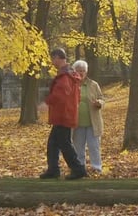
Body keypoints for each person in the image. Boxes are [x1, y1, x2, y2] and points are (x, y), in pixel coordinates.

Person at [38, 48, 87, 180]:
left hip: (63, 115)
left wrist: (47, 103)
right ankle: (53, 169)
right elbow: (76, 96)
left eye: (53, 59)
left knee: (64, 143)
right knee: (53, 143)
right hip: (66, 113)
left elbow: (61, 93)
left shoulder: (65, 76)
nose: (52, 62)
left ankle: (78, 169)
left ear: (58, 58)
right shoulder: (70, 74)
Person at [72, 60, 105, 174]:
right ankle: (80, 169)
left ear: (86, 72)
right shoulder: (71, 84)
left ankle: (97, 168)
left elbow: (102, 98)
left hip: (93, 122)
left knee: (94, 147)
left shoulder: (93, 84)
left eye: (83, 71)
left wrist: (99, 102)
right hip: (76, 123)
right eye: (79, 71)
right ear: (74, 71)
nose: (81, 73)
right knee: (78, 148)